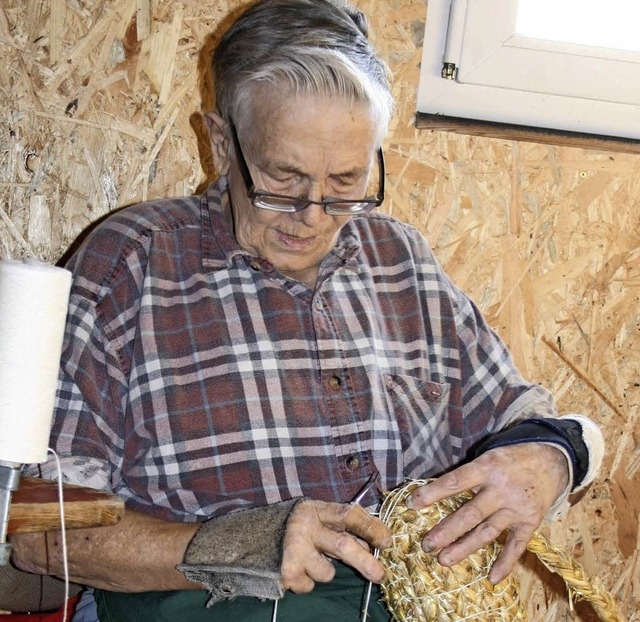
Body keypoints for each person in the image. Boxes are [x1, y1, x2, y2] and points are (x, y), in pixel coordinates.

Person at [11, 1, 604, 620]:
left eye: (346, 182)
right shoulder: (133, 260)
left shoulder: (399, 258)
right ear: (220, 142)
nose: (313, 215)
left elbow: (534, 424)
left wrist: (550, 461)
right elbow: (41, 530)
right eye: (282, 179)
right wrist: (238, 544)